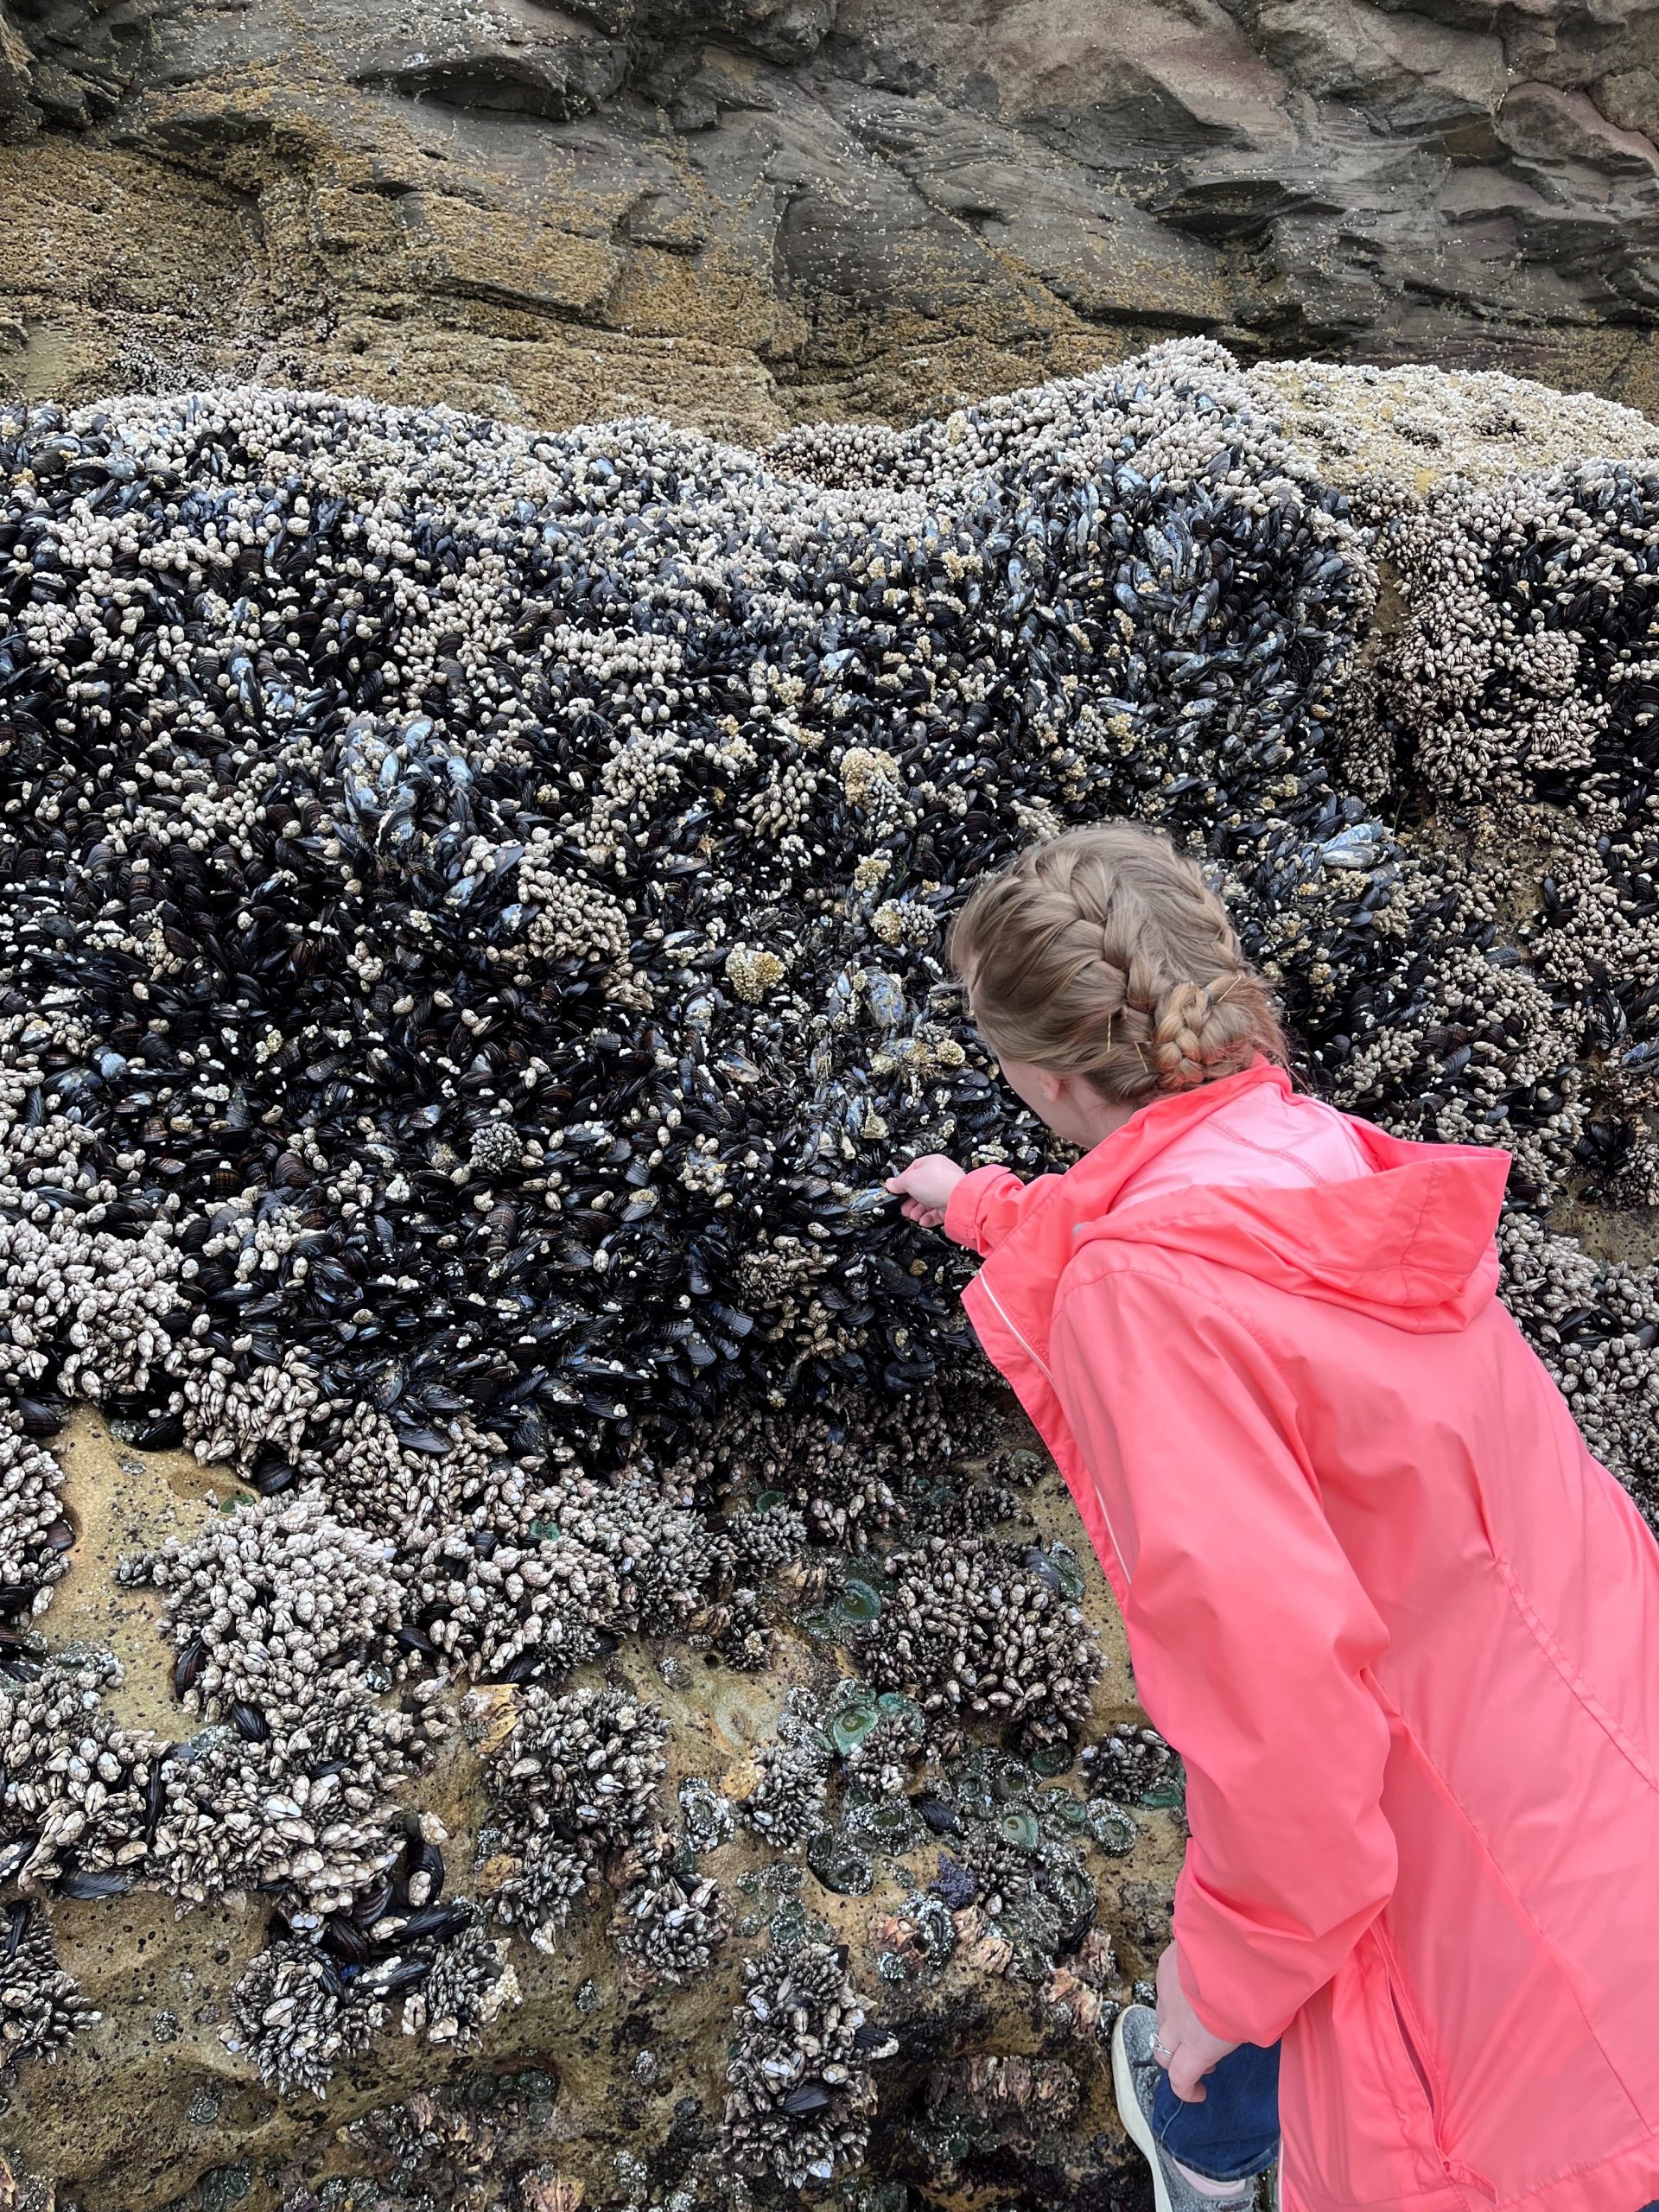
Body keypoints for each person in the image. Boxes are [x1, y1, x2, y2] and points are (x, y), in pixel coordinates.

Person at [884, 822, 1659, 2212]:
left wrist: (1219, 1980)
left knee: (1314, 1960)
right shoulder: (1313, 1152)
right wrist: (979, 1209)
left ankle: (1205, 2115)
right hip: (1598, 1731)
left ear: (1047, 1077)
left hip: (1492, 1931)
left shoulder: (1148, 1300)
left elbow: (1289, 1748)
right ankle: (1218, 2122)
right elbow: (1172, 1210)